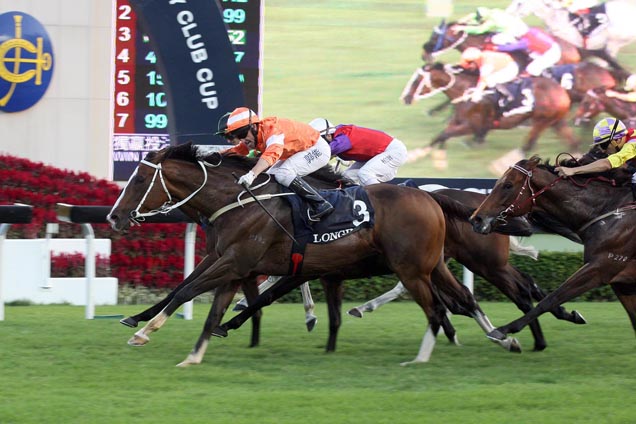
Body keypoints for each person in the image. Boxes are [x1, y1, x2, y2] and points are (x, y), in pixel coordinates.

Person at [216, 107, 334, 221]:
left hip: (318, 149)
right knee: (269, 176)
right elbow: (239, 150)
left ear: (253, 126)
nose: (241, 139)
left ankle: (320, 204)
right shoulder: (255, 133)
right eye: (236, 136)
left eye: (241, 134)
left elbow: (271, 154)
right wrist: (216, 155)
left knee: (283, 174)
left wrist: (252, 174)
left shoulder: (273, 130)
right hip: (301, 150)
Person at [308, 118, 408, 186]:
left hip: (394, 151)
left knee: (365, 173)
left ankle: (383, 202)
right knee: (346, 178)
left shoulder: (343, 136)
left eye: (320, 141)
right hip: (377, 155)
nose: (319, 144)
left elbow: (320, 155)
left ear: (329, 135)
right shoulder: (338, 135)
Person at [556, 117, 636, 200]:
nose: (603, 151)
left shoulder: (632, 145)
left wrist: (573, 170)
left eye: (603, 145)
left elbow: (606, 164)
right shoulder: (626, 136)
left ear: (618, 140)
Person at [490, 27, 562, 77]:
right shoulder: (532, 30)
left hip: (551, 54)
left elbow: (512, 47)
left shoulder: (526, 41)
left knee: (531, 69)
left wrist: (497, 48)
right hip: (553, 46)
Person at [453, 7, 529, 44]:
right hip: (518, 25)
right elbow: (475, 15)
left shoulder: (492, 20)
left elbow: (480, 29)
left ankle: (513, 46)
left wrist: (463, 28)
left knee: (495, 40)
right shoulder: (493, 11)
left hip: (517, 31)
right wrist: (463, 20)